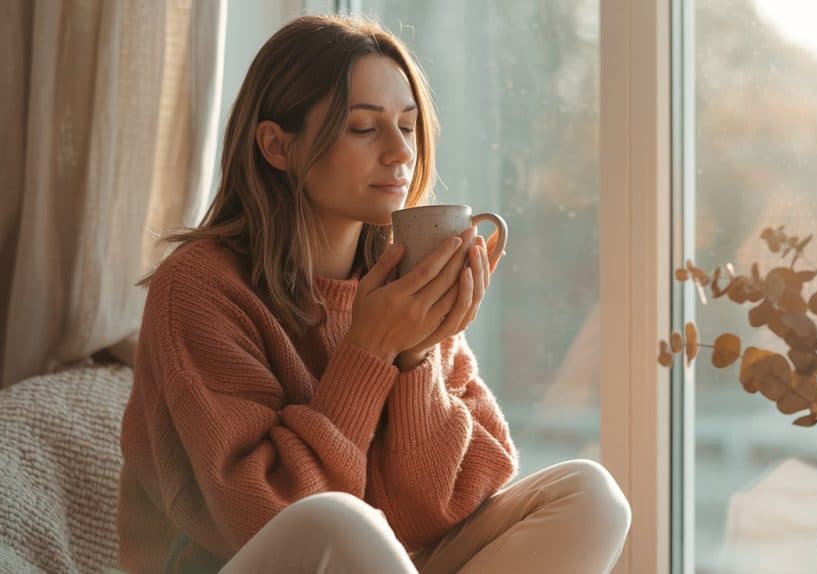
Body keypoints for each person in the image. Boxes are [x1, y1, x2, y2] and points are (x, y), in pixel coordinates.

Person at [117, 14, 630, 574]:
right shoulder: (199, 289)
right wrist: (366, 351)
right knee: (335, 521)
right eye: (364, 128)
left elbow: (444, 506)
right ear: (276, 145)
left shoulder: (399, 285)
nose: (399, 153)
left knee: (590, 495)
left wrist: (415, 358)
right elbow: (271, 514)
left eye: (407, 127)